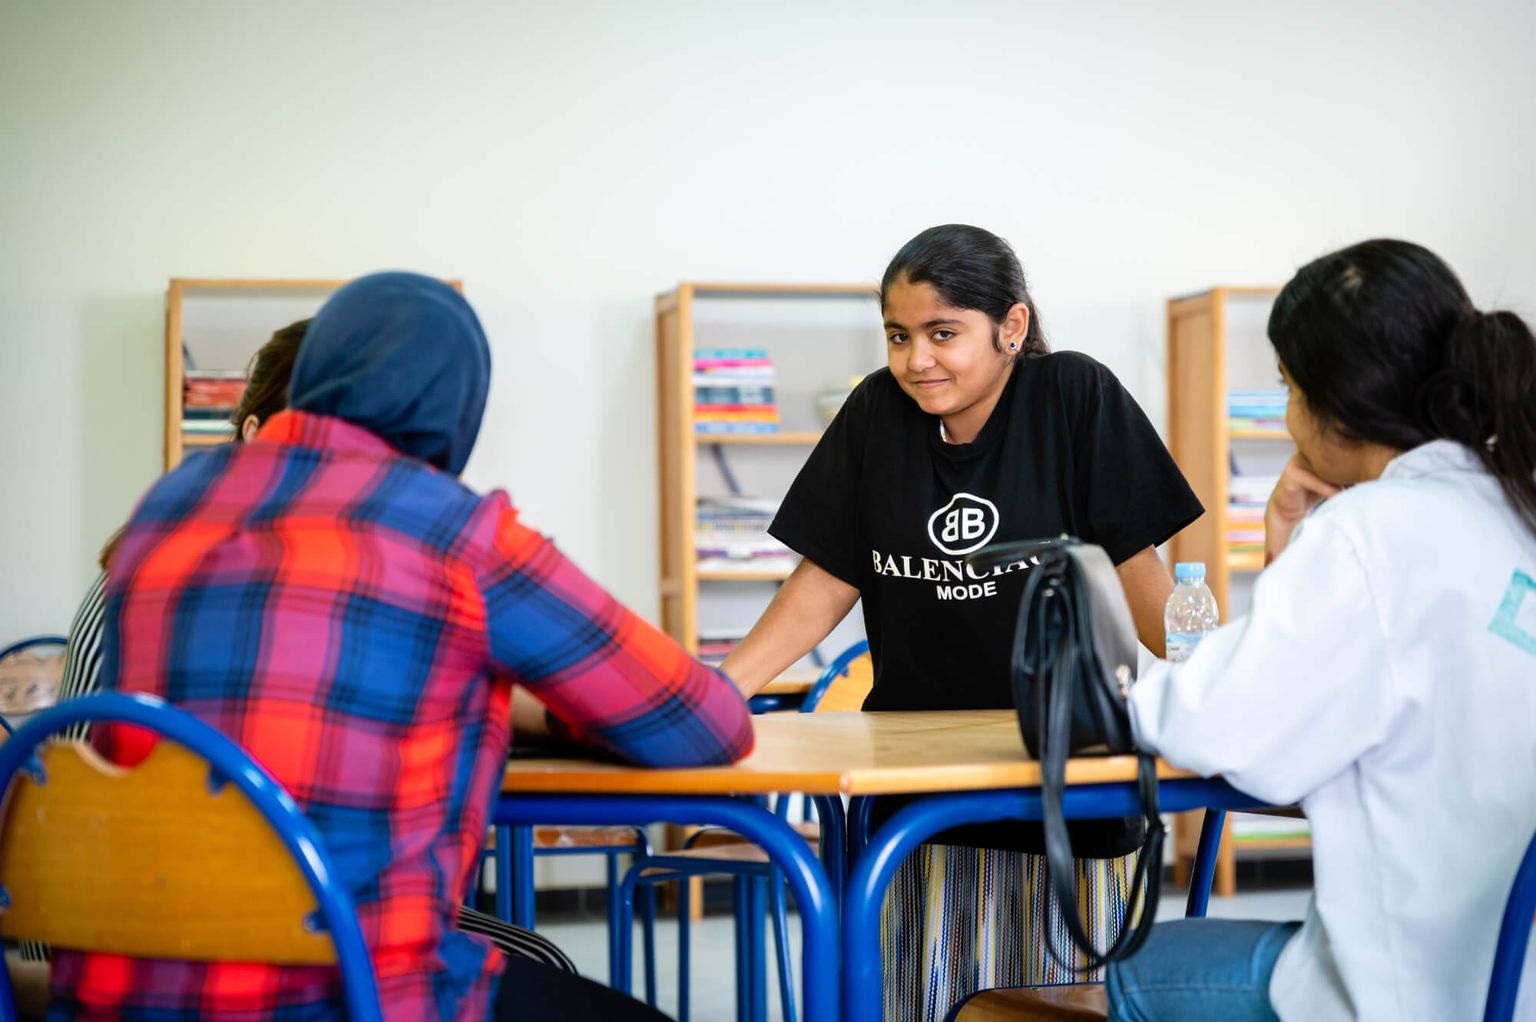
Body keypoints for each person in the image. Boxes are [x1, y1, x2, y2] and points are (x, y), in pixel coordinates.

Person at [48, 273, 754, 1021]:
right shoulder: (456, 531)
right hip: (347, 991)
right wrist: (574, 716)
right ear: (459, 410)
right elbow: (708, 723)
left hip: (120, 988)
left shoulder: (169, 504)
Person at [723, 225, 1203, 1020]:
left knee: (1045, 1008)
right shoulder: (878, 411)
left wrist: (1219, 681)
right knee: (922, 1004)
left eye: (944, 334)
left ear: (1011, 328)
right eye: (900, 336)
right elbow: (827, 579)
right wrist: (718, 689)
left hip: (1064, 785)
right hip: (915, 792)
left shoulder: (1073, 397)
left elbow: (1142, 579)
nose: (918, 360)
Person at [1111, 239, 1536, 1021]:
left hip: (1405, 996)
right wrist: (1288, 544)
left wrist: (1108, 696)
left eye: (1288, 387)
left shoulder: (1373, 531)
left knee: (1133, 964)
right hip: (1510, 982)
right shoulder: (1511, 509)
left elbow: (1217, 725)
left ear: (1333, 404)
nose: (1286, 414)